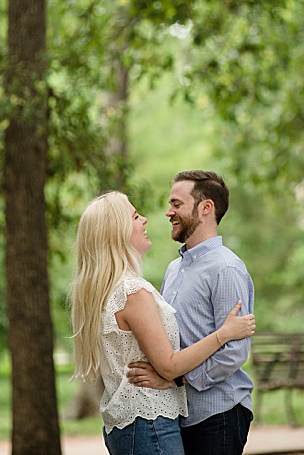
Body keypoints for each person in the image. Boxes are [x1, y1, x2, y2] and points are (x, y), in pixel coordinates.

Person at [69, 191, 256, 455]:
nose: (145, 219)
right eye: (135, 216)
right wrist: (223, 334)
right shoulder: (133, 291)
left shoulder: (108, 289)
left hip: (134, 422)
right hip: (149, 422)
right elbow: (168, 366)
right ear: (117, 232)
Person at [126, 170, 255, 455]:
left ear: (205, 207)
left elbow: (234, 353)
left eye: (177, 204)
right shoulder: (175, 269)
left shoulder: (226, 269)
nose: (168, 212)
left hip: (218, 413)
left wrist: (176, 379)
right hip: (181, 413)